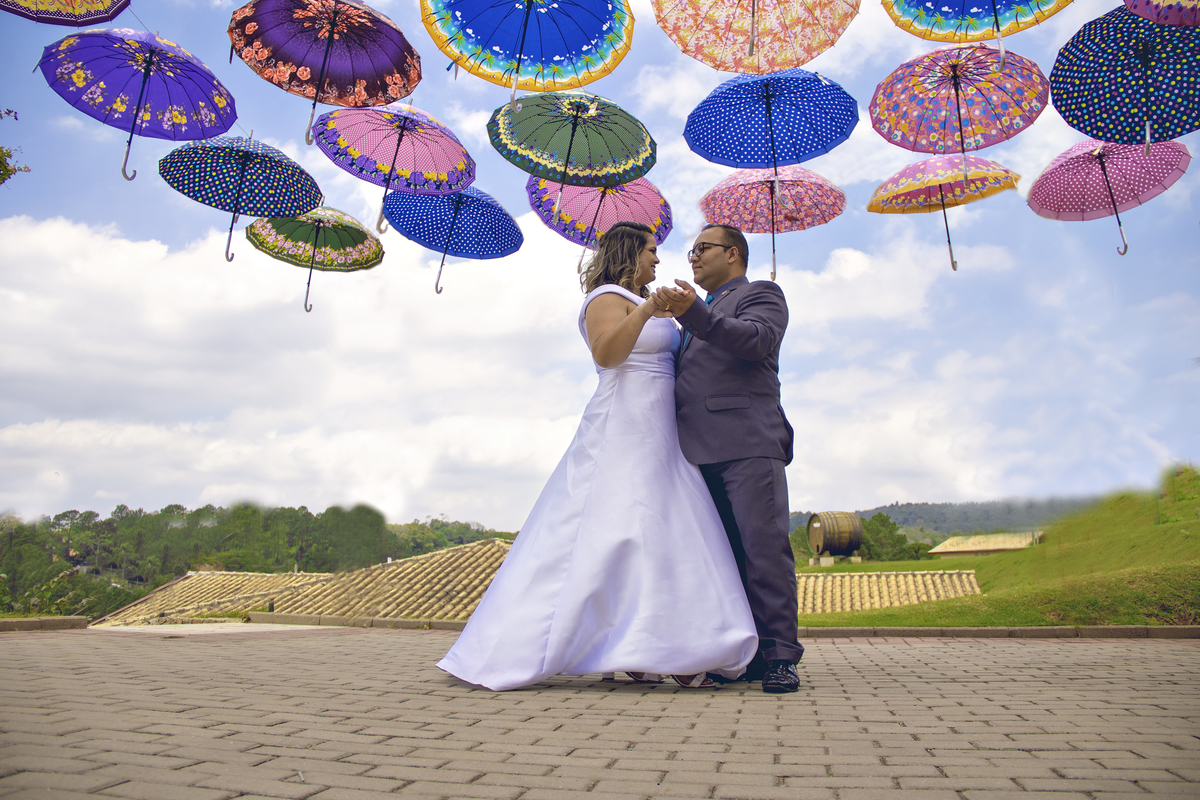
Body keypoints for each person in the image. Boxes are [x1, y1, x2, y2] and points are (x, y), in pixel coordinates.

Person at [437, 222, 757, 692]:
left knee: (664, 531)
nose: (657, 260)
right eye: (651, 251)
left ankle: (652, 646)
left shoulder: (653, 303)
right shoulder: (605, 298)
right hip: (623, 423)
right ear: (629, 254)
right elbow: (608, 354)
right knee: (617, 528)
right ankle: (579, 645)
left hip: (664, 427)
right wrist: (649, 308)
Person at [650, 223, 803, 694]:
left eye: (702, 249)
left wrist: (693, 312)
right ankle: (744, 654)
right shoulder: (697, 316)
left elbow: (755, 341)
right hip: (697, 451)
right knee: (724, 557)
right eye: (691, 251)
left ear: (732, 254)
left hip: (746, 443)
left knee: (763, 550)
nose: (692, 257)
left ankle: (780, 656)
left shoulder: (761, 294)